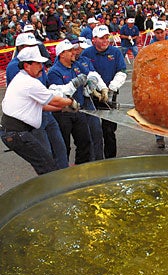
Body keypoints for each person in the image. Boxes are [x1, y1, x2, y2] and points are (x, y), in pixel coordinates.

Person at [0, 46, 76, 175]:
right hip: (16, 133)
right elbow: (55, 100)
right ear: (26, 65)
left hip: (14, 133)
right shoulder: (29, 83)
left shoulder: (22, 79)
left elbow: (42, 105)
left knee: (46, 164)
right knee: (47, 167)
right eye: (38, 63)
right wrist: (71, 102)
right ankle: (52, 193)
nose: (42, 66)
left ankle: (52, 190)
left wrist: (64, 108)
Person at [82, 25, 127, 158]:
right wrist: (94, 89)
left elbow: (122, 71)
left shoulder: (115, 52)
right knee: (93, 129)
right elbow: (86, 74)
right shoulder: (87, 53)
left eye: (107, 37)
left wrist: (112, 87)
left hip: (110, 95)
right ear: (94, 39)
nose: (105, 41)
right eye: (102, 38)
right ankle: (95, 157)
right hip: (92, 95)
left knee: (109, 130)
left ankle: (110, 158)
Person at [47, 39, 92, 165]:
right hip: (63, 114)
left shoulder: (77, 65)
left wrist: (93, 85)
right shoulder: (54, 71)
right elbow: (59, 94)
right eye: (70, 51)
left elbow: (89, 76)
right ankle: (63, 172)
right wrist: (75, 84)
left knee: (85, 142)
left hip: (79, 110)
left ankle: (81, 169)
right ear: (61, 54)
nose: (74, 52)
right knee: (63, 146)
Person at [70, 35, 107, 160]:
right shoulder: (66, 65)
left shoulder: (84, 60)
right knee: (84, 138)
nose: (79, 51)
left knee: (96, 132)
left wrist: (101, 89)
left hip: (87, 100)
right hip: (74, 103)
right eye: (77, 49)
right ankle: (89, 163)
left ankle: (99, 160)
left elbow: (93, 75)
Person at [149, 21, 168, 148]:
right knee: (158, 111)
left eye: (161, 32)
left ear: (166, 31)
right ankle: (159, 137)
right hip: (157, 82)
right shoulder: (150, 47)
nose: (159, 35)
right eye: (157, 33)